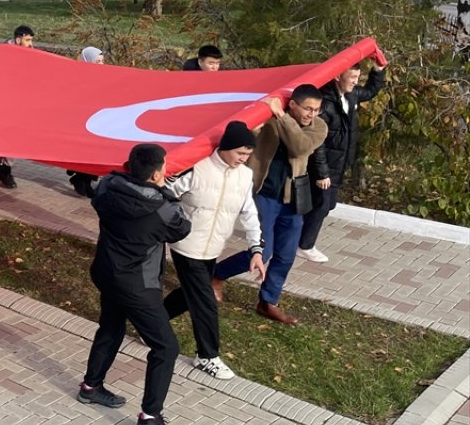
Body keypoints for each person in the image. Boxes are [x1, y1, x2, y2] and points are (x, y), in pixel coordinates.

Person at [79, 143, 192, 425]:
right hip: (137, 284)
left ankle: (91, 386)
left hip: (106, 272)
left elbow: (111, 187)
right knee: (166, 347)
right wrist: (166, 192)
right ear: (157, 173)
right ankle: (149, 420)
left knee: (112, 327)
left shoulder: (106, 188)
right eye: (164, 167)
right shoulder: (162, 208)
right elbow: (182, 229)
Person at [213, 86, 329, 325]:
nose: (312, 114)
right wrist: (269, 115)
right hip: (264, 194)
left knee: (286, 254)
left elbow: (301, 148)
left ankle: (268, 301)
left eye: (316, 109)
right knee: (262, 250)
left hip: (292, 198)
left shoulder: (318, 127)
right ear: (293, 104)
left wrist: (282, 116)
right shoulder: (270, 119)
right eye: (308, 108)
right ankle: (216, 274)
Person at [163, 121, 266, 381]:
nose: (243, 159)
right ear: (225, 147)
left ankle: (153, 322)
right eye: (239, 153)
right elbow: (166, 191)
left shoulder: (244, 175)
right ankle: (207, 356)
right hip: (186, 245)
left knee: (190, 294)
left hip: (213, 247)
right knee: (205, 299)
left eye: (247, 155)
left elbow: (249, 212)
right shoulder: (197, 167)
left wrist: (256, 249)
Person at [300, 62, 386, 262]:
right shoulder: (325, 102)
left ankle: (293, 233)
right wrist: (322, 173)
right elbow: (317, 141)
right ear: (338, 76)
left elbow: (371, 91)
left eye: (358, 78)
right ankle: (305, 245)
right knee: (321, 205)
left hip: (339, 163)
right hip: (324, 165)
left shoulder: (351, 94)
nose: (355, 82)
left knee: (326, 204)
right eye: (352, 78)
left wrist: (378, 71)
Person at [0, 25, 35, 188]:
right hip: (5, 102)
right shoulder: (5, 53)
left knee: (10, 137)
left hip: (20, 102)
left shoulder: (31, 54)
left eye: (31, 40)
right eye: (27, 40)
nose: (30, 43)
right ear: (18, 38)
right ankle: (4, 171)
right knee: (8, 137)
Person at [67, 46, 106, 197]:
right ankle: (81, 179)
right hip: (84, 122)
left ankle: (85, 179)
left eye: (102, 61)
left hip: (98, 121)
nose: (101, 65)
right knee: (87, 152)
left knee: (96, 153)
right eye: (97, 61)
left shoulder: (105, 76)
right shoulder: (79, 77)